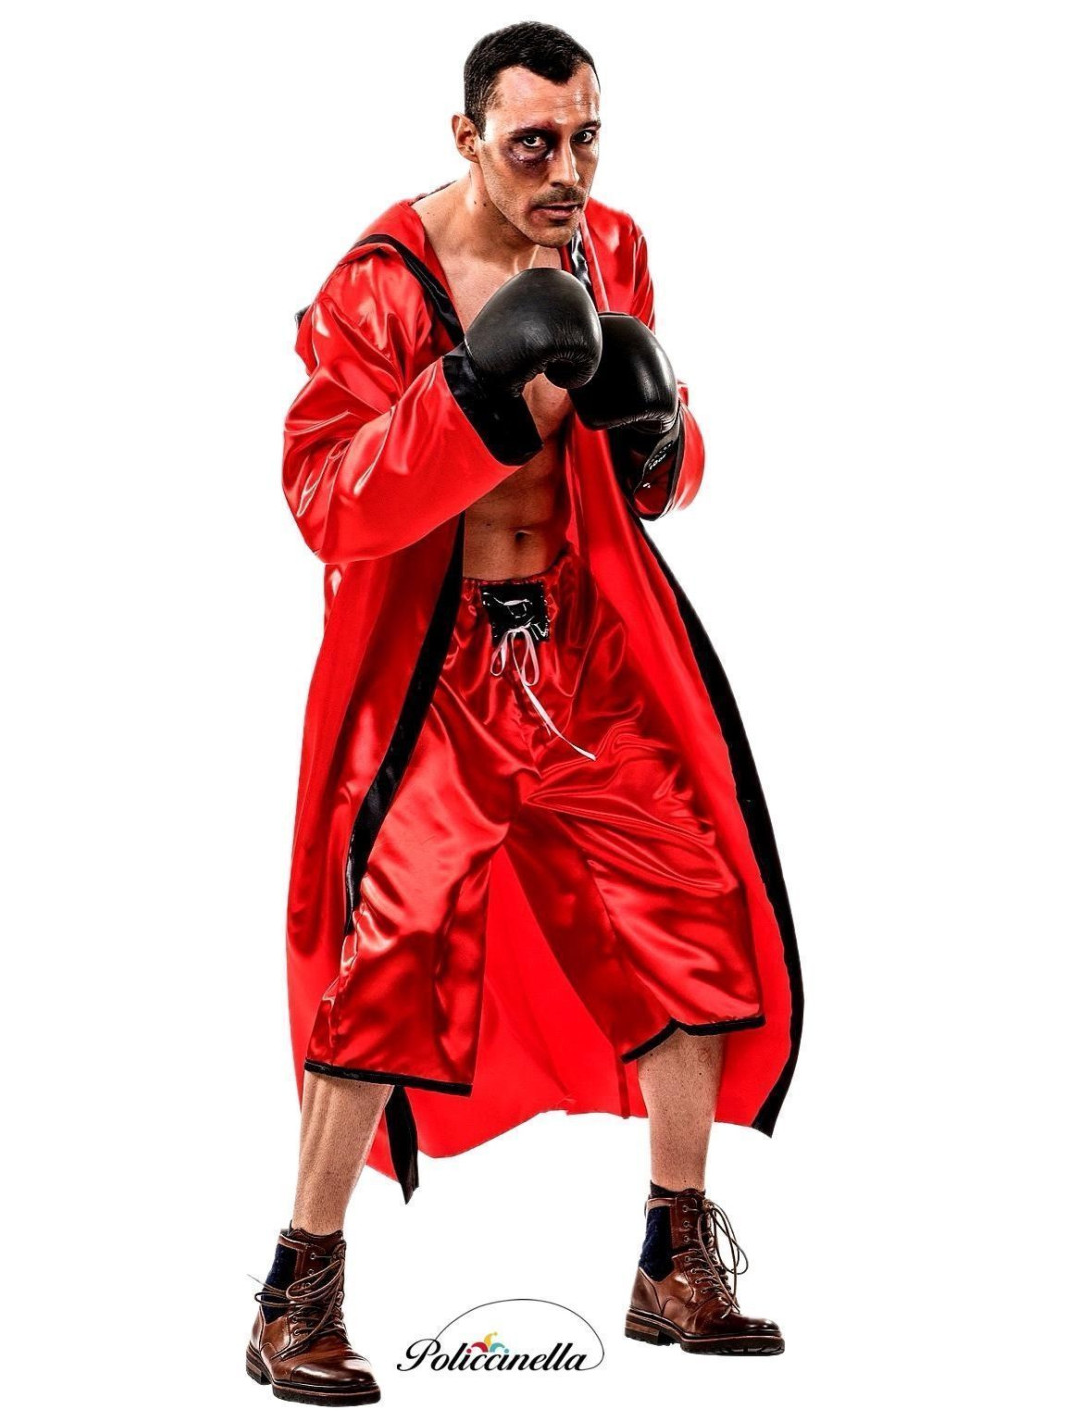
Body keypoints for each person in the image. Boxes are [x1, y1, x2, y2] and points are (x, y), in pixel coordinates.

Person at [246, 20, 803, 1406]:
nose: (566, 171)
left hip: (583, 660)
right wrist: (469, 388)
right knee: (384, 962)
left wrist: (667, 437)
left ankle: (675, 1258)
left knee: (697, 918)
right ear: (468, 138)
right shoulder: (381, 284)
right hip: (438, 677)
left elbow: (652, 469)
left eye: (585, 139)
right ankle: (295, 1294)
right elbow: (324, 497)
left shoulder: (611, 249)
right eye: (533, 144)